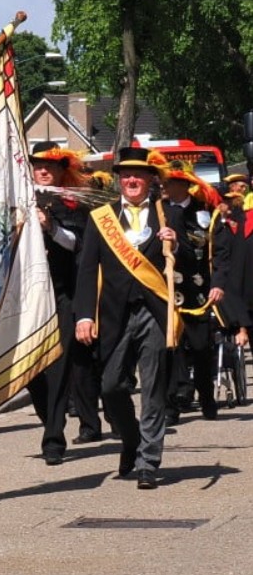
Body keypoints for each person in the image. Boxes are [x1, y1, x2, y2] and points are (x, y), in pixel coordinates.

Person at [74, 148, 189, 490]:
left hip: (153, 313)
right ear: (119, 181)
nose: (132, 180)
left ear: (151, 180)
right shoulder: (101, 218)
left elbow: (190, 266)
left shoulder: (168, 215)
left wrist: (177, 246)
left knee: (153, 387)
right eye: (126, 176)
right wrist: (83, 315)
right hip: (114, 315)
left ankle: (148, 462)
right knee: (111, 387)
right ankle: (131, 440)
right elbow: (86, 270)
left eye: (139, 175)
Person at [27, 142, 97, 464]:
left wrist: (50, 227)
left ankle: (53, 439)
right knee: (31, 375)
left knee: (57, 370)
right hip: (27, 299)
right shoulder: (15, 202)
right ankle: (50, 419)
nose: (43, 170)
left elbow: (77, 244)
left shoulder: (72, 204)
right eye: (38, 165)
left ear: (60, 170)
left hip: (61, 296)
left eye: (50, 166)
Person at [162, 161, 228, 423]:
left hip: (199, 290)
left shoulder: (206, 213)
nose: (164, 187)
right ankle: (174, 402)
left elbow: (222, 254)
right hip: (166, 289)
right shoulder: (157, 211)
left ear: (184, 185)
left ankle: (206, 396)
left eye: (169, 182)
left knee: (201, 348)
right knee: (170, 348)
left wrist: (219, 283)